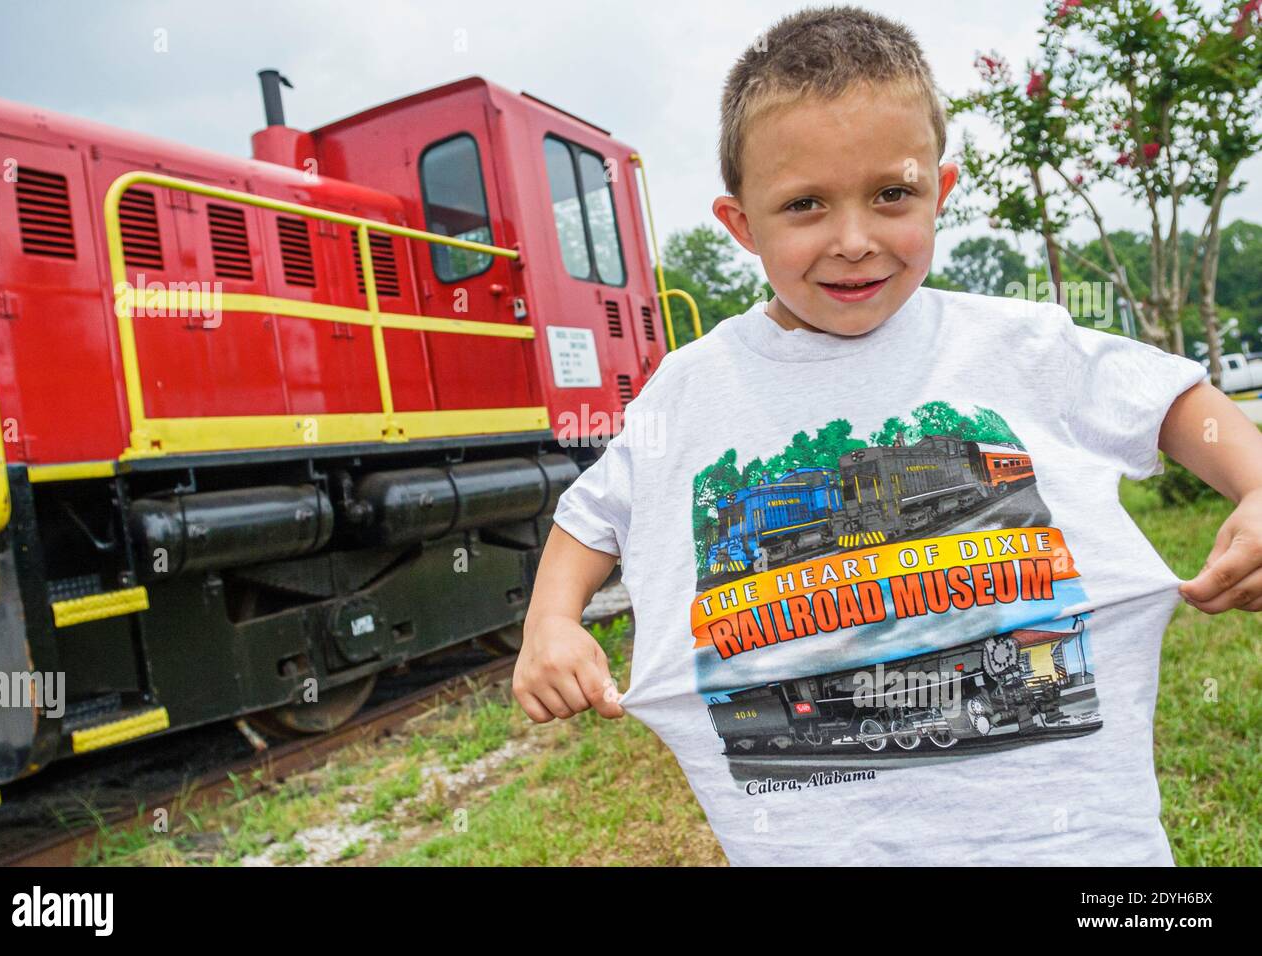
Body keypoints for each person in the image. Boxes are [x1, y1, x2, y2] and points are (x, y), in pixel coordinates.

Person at [513, 5, 1262, 866]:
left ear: (940, 192)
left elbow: (1176, 400)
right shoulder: (690, 388)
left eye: (892, 194)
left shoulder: (1020, 343)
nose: (855, 241)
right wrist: (551, 622)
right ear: (741, 225)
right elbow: (592, 514)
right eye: (805, 206)